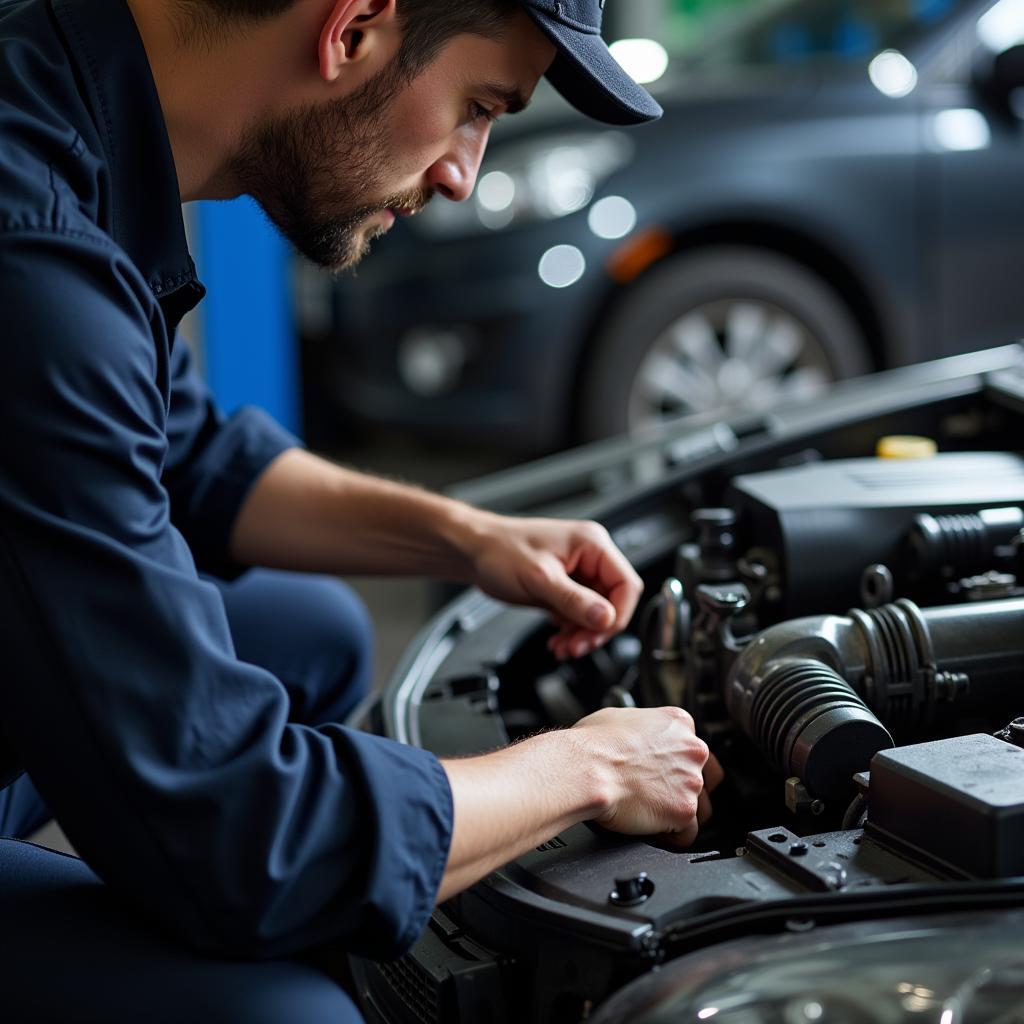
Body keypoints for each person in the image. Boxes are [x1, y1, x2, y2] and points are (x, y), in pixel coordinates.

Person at [0, 0, 720, 1019]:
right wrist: (587, 765)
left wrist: (471, 538)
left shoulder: (59, 105)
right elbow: (241, 833)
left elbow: (190, 452)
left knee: (314, 629)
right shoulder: (30, 259)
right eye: (478, 106)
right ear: (353, 30)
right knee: (295, 1015)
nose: (462, 174)